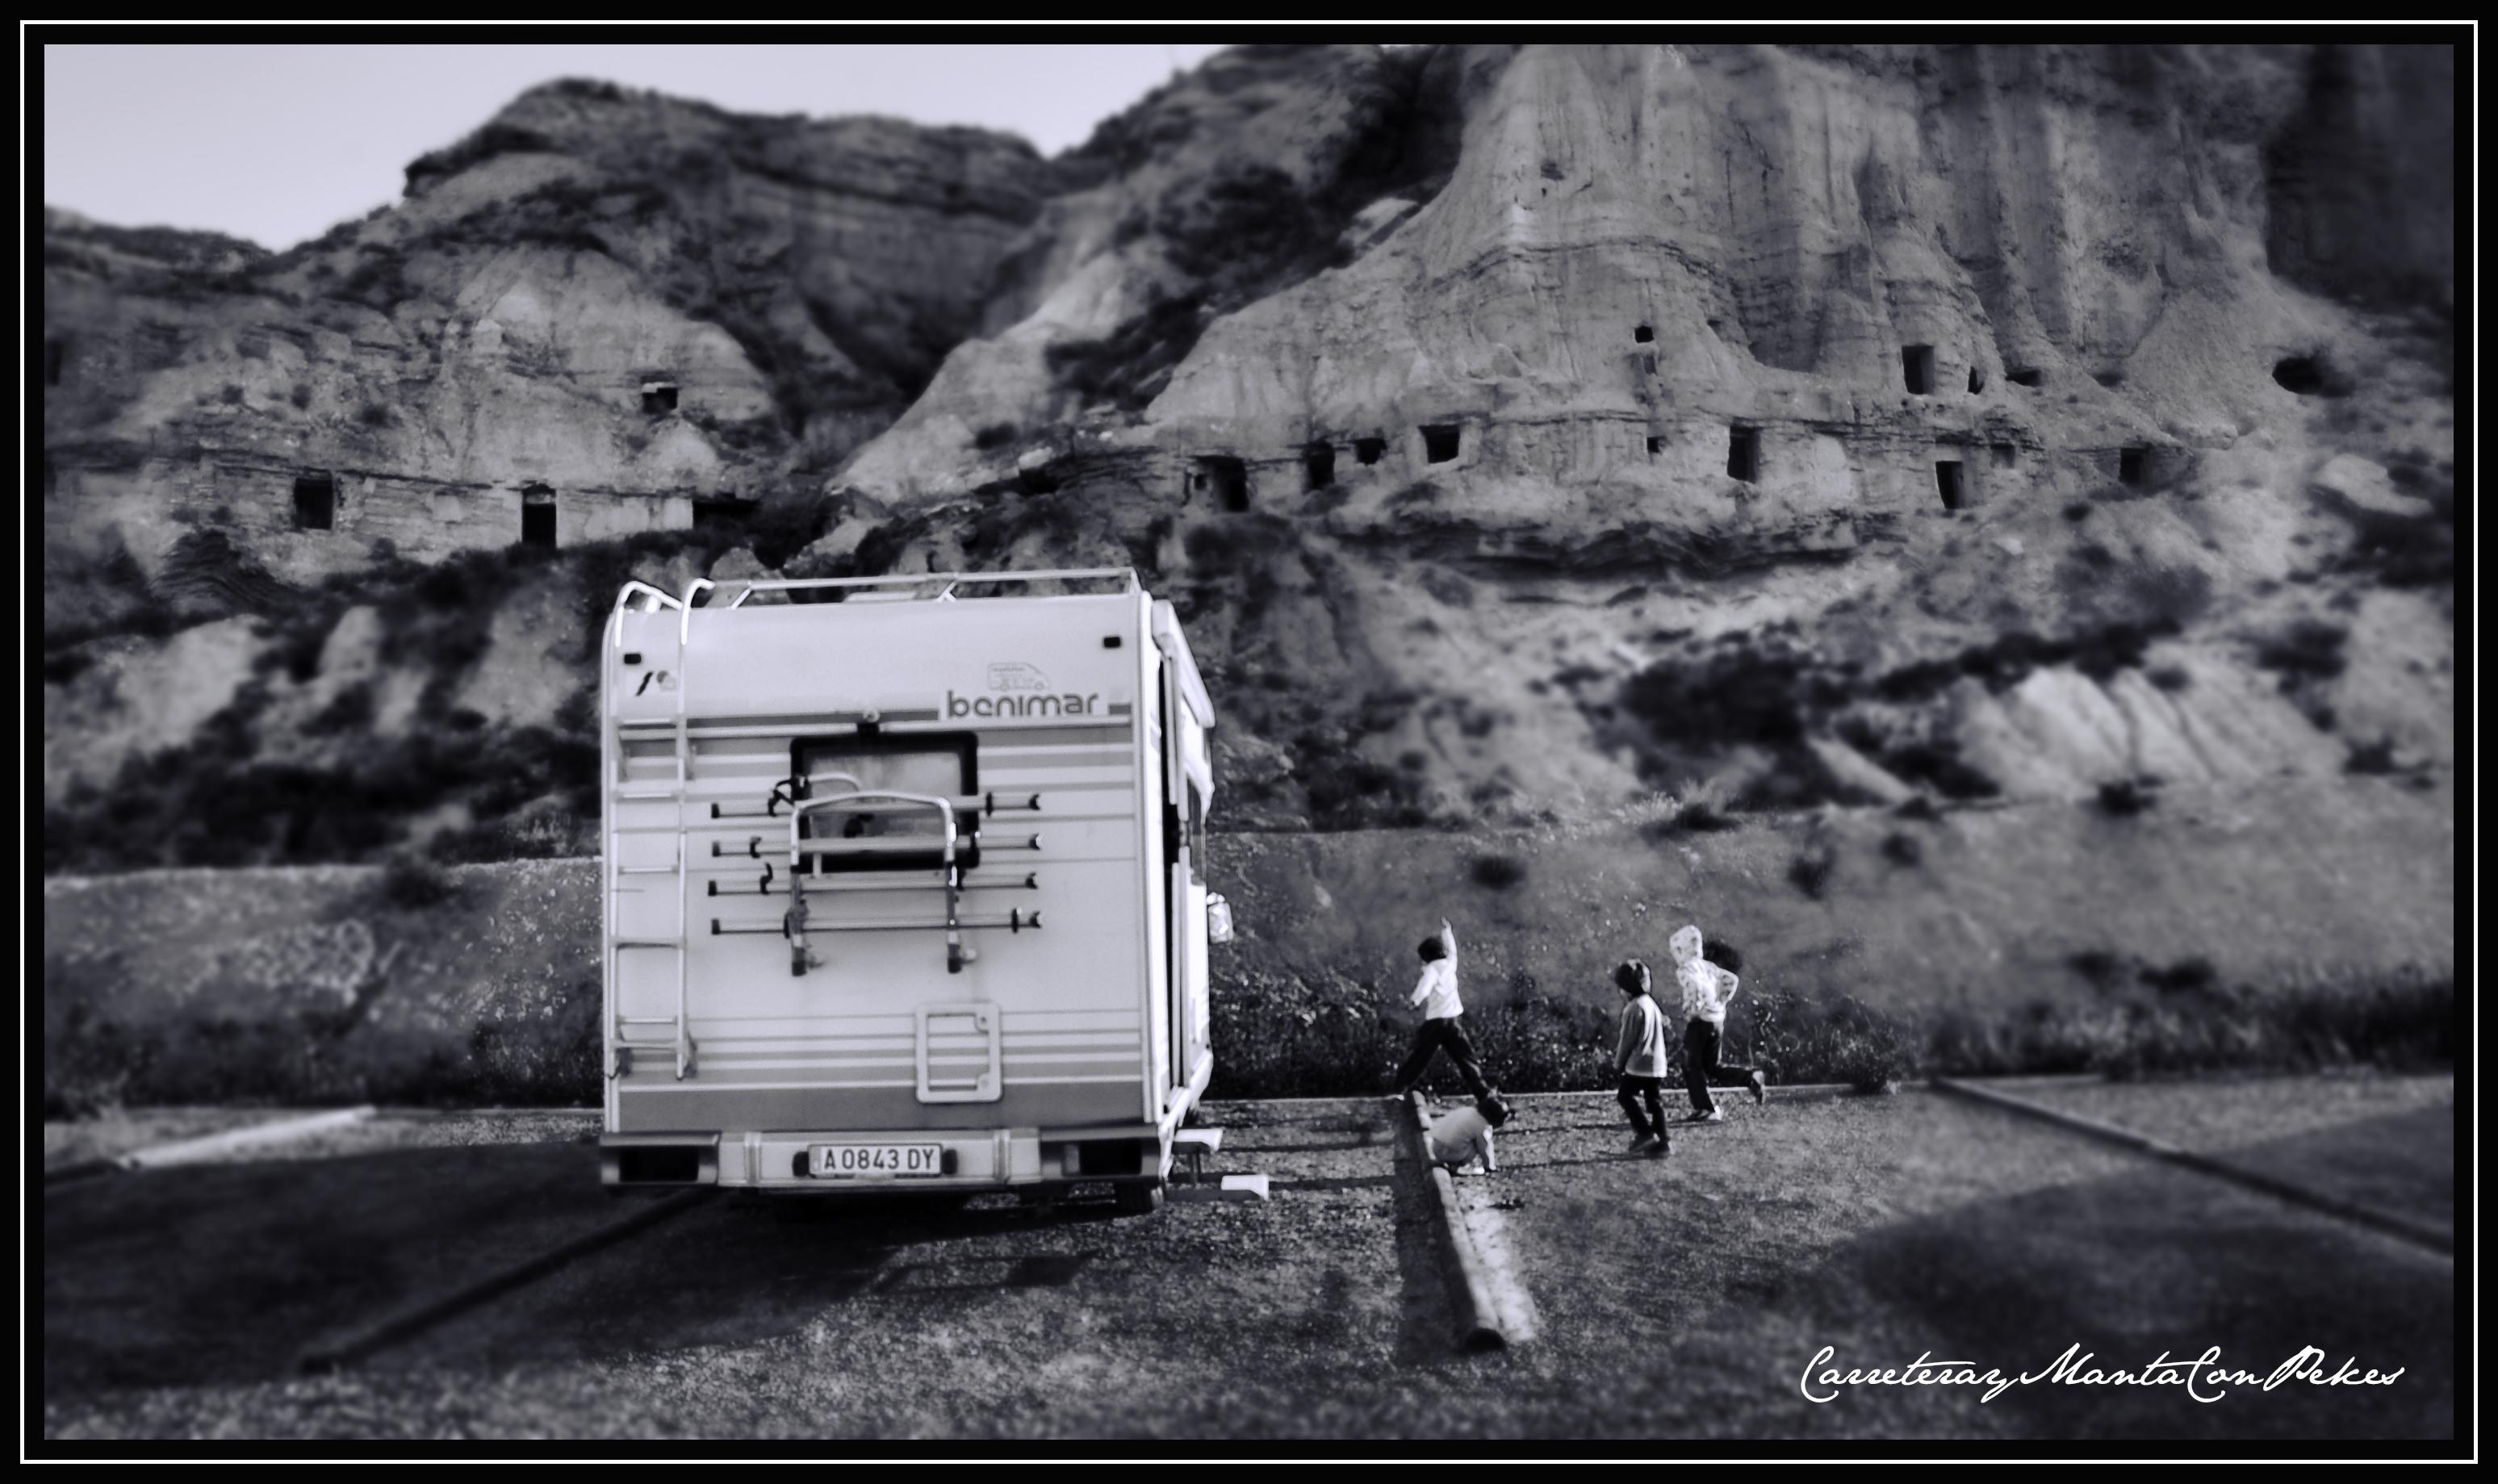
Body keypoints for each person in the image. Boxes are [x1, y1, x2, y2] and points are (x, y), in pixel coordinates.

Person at [1671, 925, 1768, 1122]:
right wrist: (1721, 1002)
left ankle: (1706, 1108)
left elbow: (1694, 986)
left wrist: (1693, 1008)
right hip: (1717, 1021)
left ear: (1681, 949)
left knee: (1691, 1066)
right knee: (1713, 1066)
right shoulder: (1709, 967)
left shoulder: (1686, 968)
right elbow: (1731, 979)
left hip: (1700, 1022)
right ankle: (1750, 1077)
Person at [1390, 918, 1493, 1100]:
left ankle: (1398, 1090)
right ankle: (1483, 1093)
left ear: (1426, 957)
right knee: (1465, 1059)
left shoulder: (1431, 970)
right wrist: (1447, 931)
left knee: (1419, 1058)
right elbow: (1453, 951)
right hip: (1453, 1022)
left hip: (1436, 1023)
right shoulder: (1450, 965)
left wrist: (1414, 1001)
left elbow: (1425, 987)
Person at [1612, 959, 1672, 1156]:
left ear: (1625, 989)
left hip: (1639, 1064)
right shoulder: (1651, 1004)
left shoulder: (1632, 1009)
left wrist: (1619, 1063)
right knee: (1654, 1102)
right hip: (1657, 1064)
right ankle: (1663, 1144)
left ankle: (1645, 1133)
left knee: (1625, 1096)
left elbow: (1627, 1040)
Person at [1423, 1089, 1511, 1177]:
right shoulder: (1483, 1126)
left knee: (1465, 1137)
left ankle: (1453, 1164)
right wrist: (1489, 1166)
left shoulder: (1468, 1110)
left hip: (1436, 1147)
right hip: (1450, 1153)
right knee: (1477, 1143)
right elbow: (1485, 1147)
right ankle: (1461, 1167)